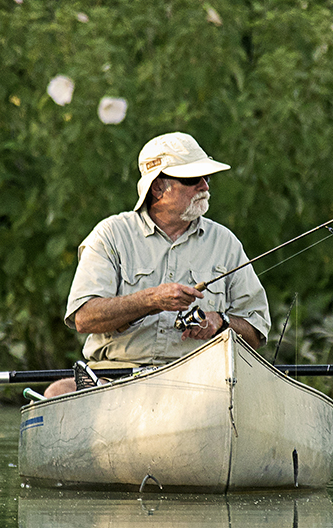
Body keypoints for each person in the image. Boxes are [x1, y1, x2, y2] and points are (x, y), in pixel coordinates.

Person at [44, 132, 271, 397]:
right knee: (57, 391)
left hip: (201, 387)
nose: (204, 187)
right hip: (115, 380)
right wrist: (151, 300)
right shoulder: (110, 235)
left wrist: (219, 321)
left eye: (206, 178)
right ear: (157, 188)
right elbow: (84, 318)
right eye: (191, 179)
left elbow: (256, 331)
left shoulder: (226, 243)